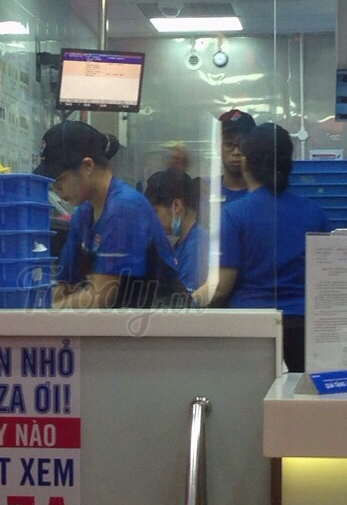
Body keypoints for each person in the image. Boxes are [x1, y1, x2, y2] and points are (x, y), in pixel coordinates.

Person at [195, 122, 331, 370]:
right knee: (298, 392)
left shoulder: (233, 214)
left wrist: (186, 303)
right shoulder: (315, 213)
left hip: (251, 328)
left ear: (247, 163)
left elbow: (221, 288)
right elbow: (326, 278)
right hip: (306, 329)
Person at [35, 120, 186, 309]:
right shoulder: (83, 214)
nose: (56, 189)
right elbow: (65, 285)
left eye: (60, 180)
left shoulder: (123, 208)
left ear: (87, 166)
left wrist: (44, 314)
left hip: (162, 321)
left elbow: (100, 296)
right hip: (120, 320)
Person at [145, 168, 207, 292]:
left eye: (155, 212)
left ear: (176, 206)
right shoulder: (182, 244)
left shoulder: (197, 245)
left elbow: (187, 299)